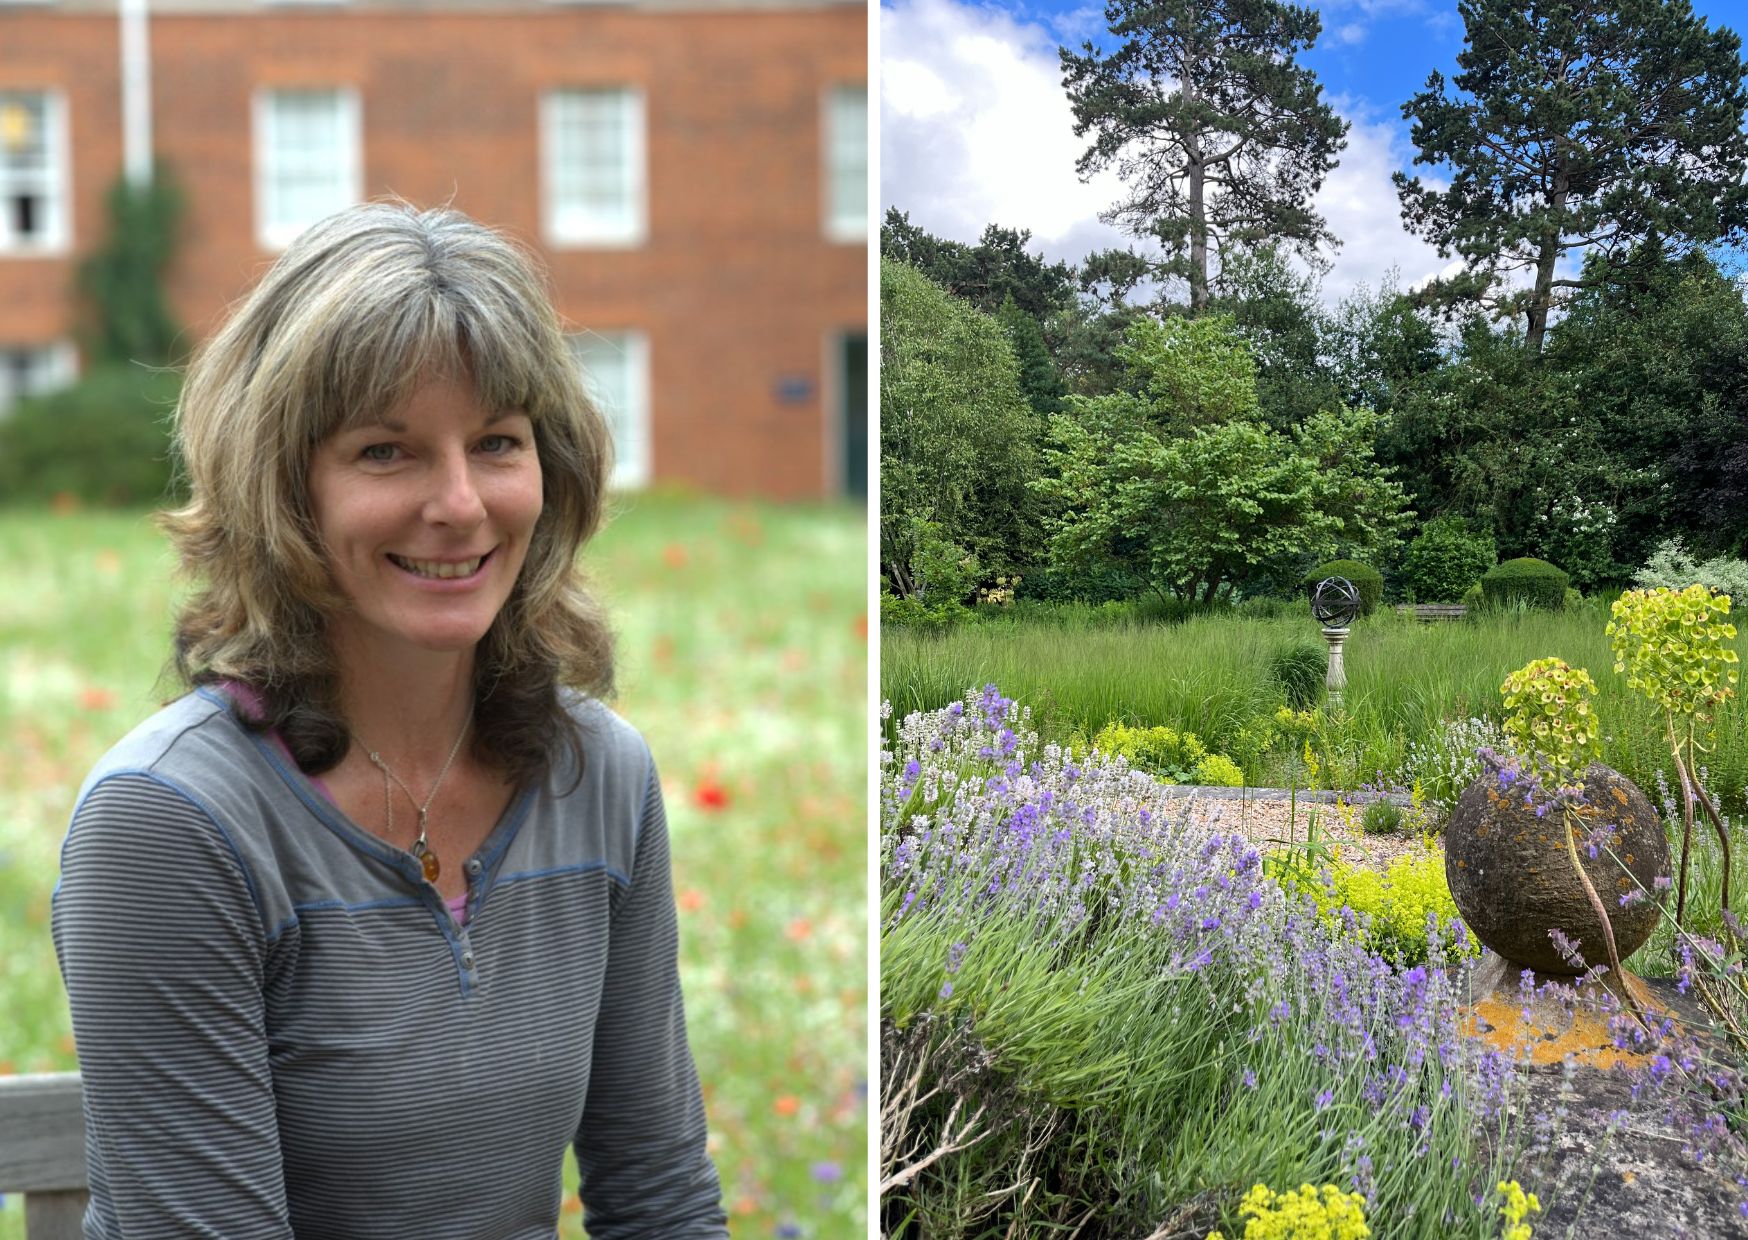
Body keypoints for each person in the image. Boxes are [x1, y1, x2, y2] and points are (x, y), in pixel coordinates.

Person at [51, 201, 728, 1238]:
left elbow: (658, 1193)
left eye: (496, 442)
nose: (460, 503)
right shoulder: (168, 826)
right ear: (284, 488)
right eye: (386, 452)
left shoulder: (599, 775)